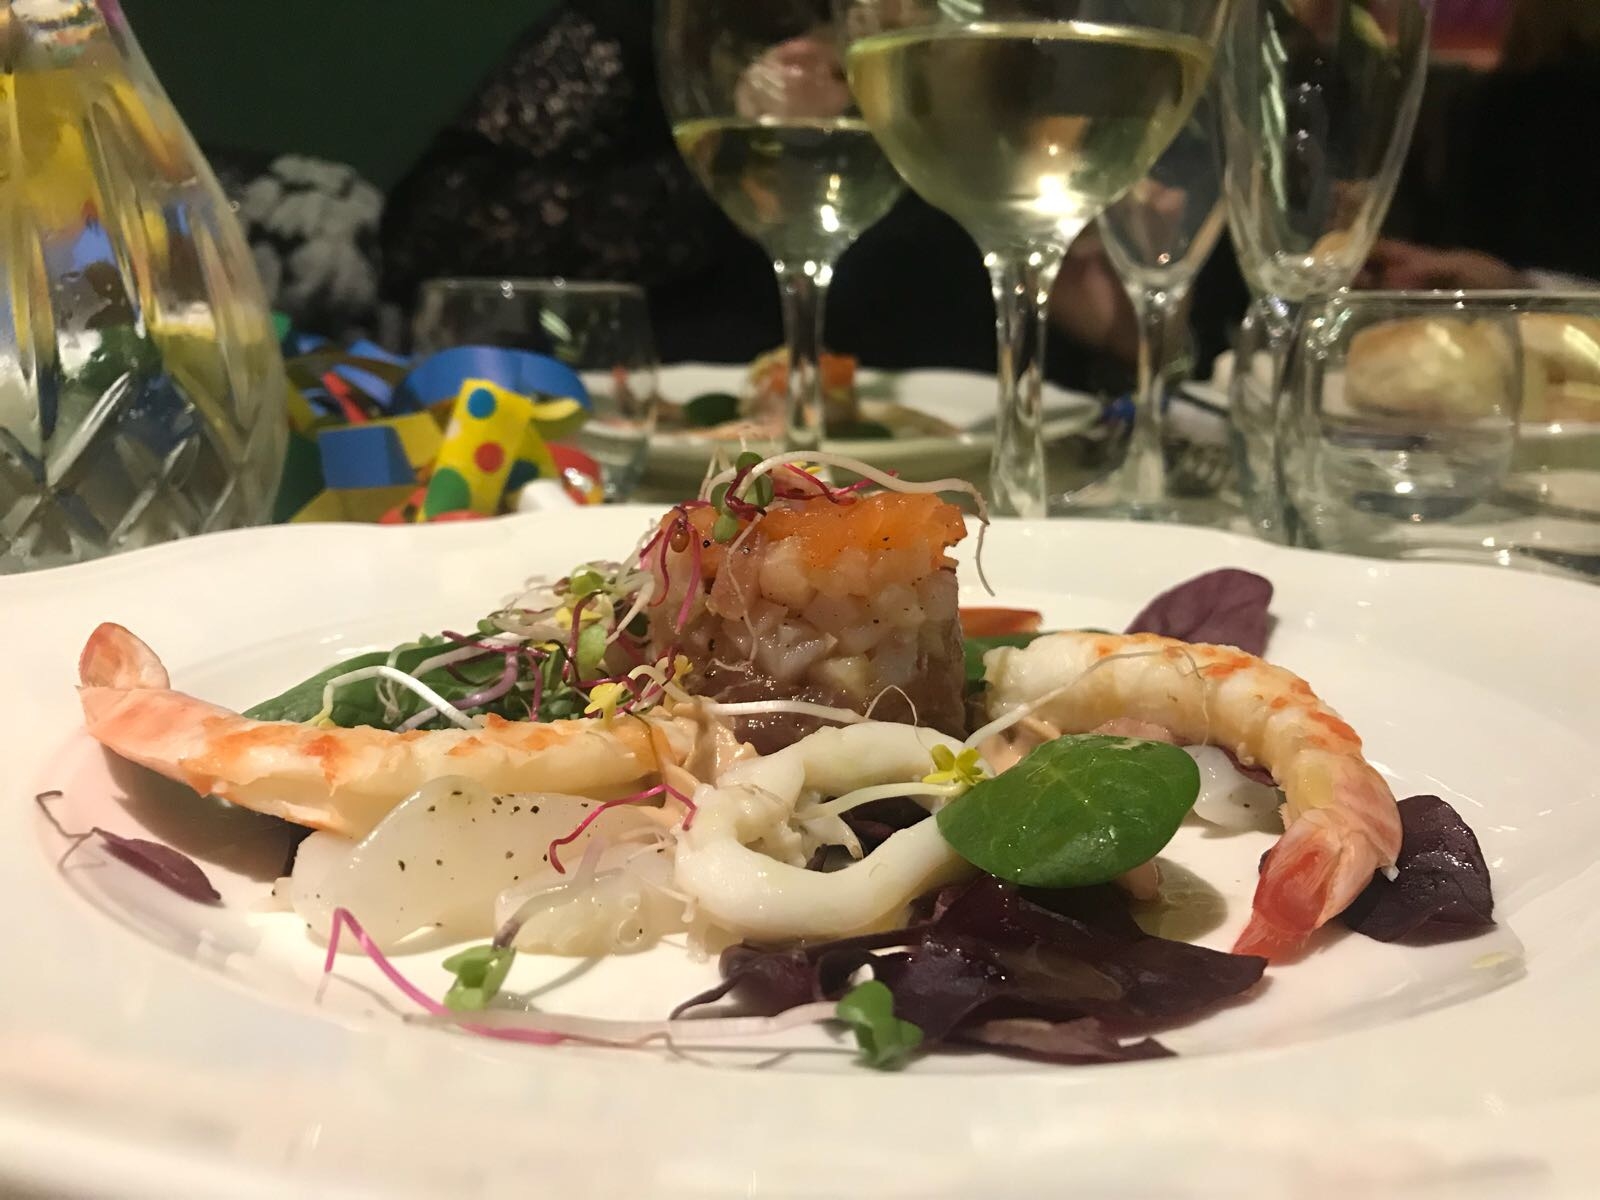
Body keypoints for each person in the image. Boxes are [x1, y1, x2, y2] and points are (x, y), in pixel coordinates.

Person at [379, 0, 1134, 386]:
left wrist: (1109, 322)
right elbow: (431, 228)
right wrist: (739, 158)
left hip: (971, 479)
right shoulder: (665, 25)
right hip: (676, 468)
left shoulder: (997, 42)